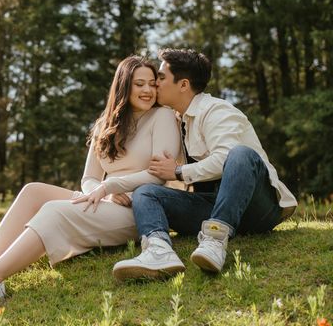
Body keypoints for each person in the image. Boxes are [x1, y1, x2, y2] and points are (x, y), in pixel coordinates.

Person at [0, 56, 181, 307]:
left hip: (135, 209)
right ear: (123, 86)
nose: (148, 90)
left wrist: (110, 187)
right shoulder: (106, 124)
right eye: (139, 84)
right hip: (104, 199)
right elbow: (89, 178)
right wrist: (100, 192)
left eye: (152, 84)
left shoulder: (162, 117)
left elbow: (159, 175)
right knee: (33, 191)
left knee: (54, 210)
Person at [112, 48, 298, 280]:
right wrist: (113, 189)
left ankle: (215, 240)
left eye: (160, 78)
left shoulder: (217, 111)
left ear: (183, 84)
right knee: (146, 193)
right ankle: (158, 251)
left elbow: (224, 159)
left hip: (258, 209)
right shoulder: (177, 120)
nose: (155, 85)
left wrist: (179, 172)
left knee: (240, 154)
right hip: (214, 206)